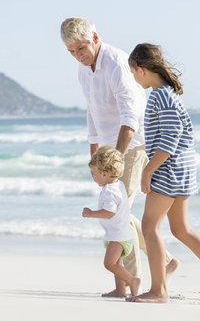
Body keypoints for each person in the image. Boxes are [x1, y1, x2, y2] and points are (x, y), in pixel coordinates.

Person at [60, 17, 178, 297]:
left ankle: (129, 284)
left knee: (118, 216)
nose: (79, 55)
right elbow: (92, 112)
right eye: (72, 51)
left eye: (82, 47)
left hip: (132, 147)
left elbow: (131, 116)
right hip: (108, 152)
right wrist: (95, 155)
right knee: (119, 212)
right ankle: (167, 260)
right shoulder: (82, 69)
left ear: (96, 37)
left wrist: (115, 157)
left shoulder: (116, 64)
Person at [125, 43, 200, 304]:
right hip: (180, 169)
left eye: (132, 73)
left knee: (150, 227)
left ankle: (159, 290)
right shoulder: (168, 94)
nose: (133, 78)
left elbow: (170, 140)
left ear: (141, 70)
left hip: (169, 169)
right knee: (181, 229)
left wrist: (147, 171)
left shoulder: (160, 96)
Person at [82, 145, 141, 296]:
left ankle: (132, 281)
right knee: (117, 263)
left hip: (118, 236)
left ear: (105, 173)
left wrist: (91, 213)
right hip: (119, 233)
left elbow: (109, 211)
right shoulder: (118, 184)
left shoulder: (109, 191)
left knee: (109, 264)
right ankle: (120, 290)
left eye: (94, 173)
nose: (92, 176)